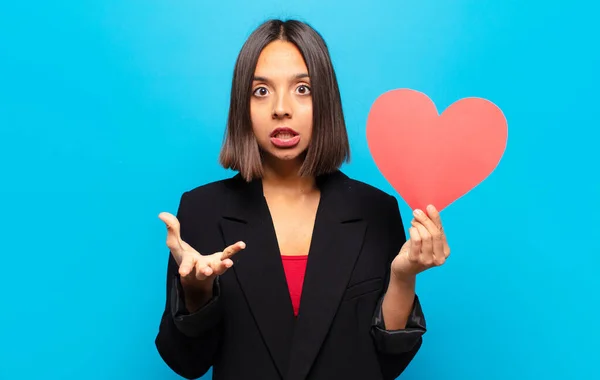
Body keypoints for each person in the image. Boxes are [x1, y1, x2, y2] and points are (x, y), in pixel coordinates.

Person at [155, 18, 451, 380]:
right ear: (241, 105)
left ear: (325, 99)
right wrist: (196, 290)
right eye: (261, 91)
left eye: (303, 89)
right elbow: (187, 363)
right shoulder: (202, 210)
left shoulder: (376, 209)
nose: (282, 108)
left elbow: (386, 362)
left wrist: (403, 277)